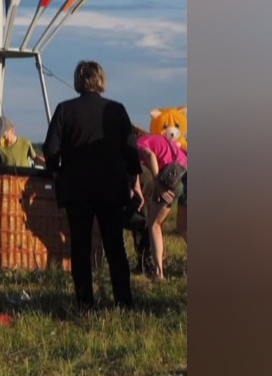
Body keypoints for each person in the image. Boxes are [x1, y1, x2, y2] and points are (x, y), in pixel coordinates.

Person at [42, 61, 144, 310]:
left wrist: (56, 173)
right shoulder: (117, 110)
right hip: (111, 187)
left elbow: (50, 149)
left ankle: (85, 301)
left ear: (78, 80)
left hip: (77, 188)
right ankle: (124, 300)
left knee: (80, 246)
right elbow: (131, 153)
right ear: (100, 80)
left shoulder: (64, 110)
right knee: (115, 246)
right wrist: (135, 184)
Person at [137, 130, 188, 281]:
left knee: (154, 224)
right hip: (188, 173)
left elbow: (150, 156)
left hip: (173, 177)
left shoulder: (139, 143)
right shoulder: (161, 139)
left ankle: (159, 272)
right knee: (184, 227)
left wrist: (158, 183)